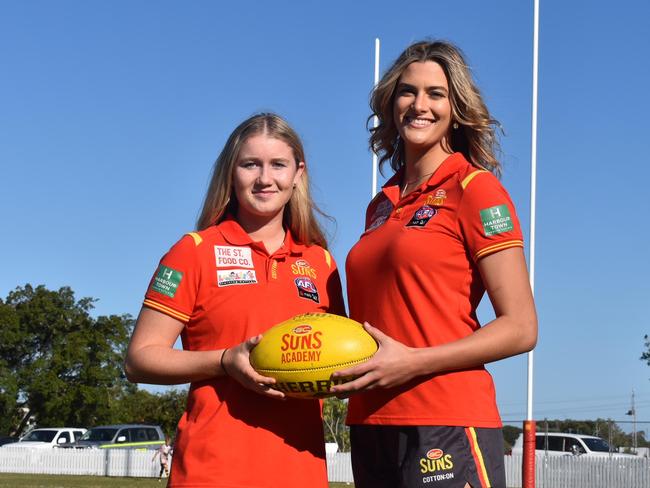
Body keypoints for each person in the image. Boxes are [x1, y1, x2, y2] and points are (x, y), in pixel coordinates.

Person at [331, 40, 538, 488]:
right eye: (407, 92)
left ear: (456, 107)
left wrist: (413, 363)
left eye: (435, 94)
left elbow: (521, 327)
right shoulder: (379, 206)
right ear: (391, 103)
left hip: (447, 419)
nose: (419, 105)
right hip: (371, 422)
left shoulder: (475, 188)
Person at [125, 113, 345, 488]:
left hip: (301, 471)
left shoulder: (319, 261)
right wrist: (226, 362)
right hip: (213, 470)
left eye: (278, 164)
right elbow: (139, 360)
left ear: (298, 174)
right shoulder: (193, 251)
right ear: (231, 172)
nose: (264, 178)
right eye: (250, 165)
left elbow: (336, 360)